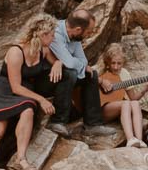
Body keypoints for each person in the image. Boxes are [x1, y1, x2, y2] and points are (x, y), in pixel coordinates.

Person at [0, 15, 58, 170]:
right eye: (52, 34)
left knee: (28, 109)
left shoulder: (44, 50)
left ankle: (21, 159)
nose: (54, 37)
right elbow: (15, 87)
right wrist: (42, 99)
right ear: (43, 35)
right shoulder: (16, 51)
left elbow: (56, 61)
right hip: (4, 91)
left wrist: (59, 64)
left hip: (25, 94)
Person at [47, 8, 114, 138]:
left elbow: (82, 60)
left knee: (91, 74)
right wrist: (76, 64)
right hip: (46, 77)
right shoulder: (55, 33)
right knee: (71, 72)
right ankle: (57, 121)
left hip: (63, 75)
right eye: (88, 32)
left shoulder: (75, 37)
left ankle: (92, 125)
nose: (89, 35)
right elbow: (70, 64)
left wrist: (79, 65)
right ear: (78, 30)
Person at [96, 43, 148, 148]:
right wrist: (101, 81)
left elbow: (133, 98)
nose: (116, 67)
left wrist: (146, 87)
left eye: (119, 63)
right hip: (101, 110)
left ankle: (139, 140)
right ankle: (130, 139)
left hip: (117, 108)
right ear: (107, 62)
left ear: (123, 63)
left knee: (134, 103)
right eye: (113, 63)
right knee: (126, 103)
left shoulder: (124, 73)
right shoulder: (101, 71)